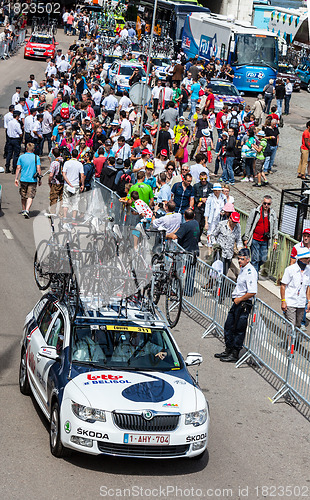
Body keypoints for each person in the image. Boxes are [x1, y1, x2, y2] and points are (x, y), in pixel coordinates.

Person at [214, 248, 257, 363]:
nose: (239, 261)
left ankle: (235, 353)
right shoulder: (243, 269)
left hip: (243, 303)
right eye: (238, 258)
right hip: (237, 302)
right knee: (228, 326)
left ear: (248, 259)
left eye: (242, 259)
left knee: (238, 328)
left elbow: (252, 291)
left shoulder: (250, 272)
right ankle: (228, 349)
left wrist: (240, 299)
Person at [243, 195, 278, 274]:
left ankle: (252, 270)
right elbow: (249, 224)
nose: (266, 205)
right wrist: (246, 238)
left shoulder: (272, 213)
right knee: (255, 259)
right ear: (262, 202)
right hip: (255, 239)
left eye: (268, 204)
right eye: (265, 203)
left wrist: (275, 241)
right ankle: (255, 277)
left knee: (263, 259)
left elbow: (275, 227)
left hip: (265, 240)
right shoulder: (255, 211)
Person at [281, 248, 310, 330]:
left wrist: (309, 301)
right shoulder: (290, 270)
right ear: (301, 259)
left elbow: (307, 287)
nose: (309, 260)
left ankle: (293, 342)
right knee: (291, 326)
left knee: (297, 325)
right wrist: (283, 301)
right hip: (290, 302)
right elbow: (283, 286)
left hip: (301, 303)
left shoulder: (308, 270)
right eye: (307, 258)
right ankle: (290, 342)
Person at [14, 142, 42, 218]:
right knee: (30, 195)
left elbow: (18, 168)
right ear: (33, 149)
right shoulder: (36, 157)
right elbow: (38, 169)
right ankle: (27, 210)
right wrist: (40, 179)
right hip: (33, 180)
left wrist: (16, 178)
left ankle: (23, 209)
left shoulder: (21, 157)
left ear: (26, 149)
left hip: (23, 179)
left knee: (23, 195)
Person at [62, 149, 85, 220]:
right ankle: (73, 218)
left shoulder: (66, 163)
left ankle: (65, 217)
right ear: (77, 155)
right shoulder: (80, 164)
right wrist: (82, 185)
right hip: (75, 185)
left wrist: (68, 182)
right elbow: (82, 175)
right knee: (75, 202)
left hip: (68, 185)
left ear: (71, 155)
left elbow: (63, 174)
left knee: (66, 202)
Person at [204, 183, 226, 250]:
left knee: (219, 235)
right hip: (212, 220)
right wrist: (206, 222)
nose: (217, 192)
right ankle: (210, 252)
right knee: (210, 235)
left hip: (220, 220)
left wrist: (223, 212)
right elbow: (207, 211)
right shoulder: (210, 198)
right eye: (215, 190)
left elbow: (226, 208)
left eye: (218, 190)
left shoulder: (223, 198)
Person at [193, 171, 213, 241]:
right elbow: (194, 197)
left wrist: (205, 200)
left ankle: (199, 238)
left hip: (206, 208)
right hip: (198, 208)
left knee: (202, 224)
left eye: (205, 179)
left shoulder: (210, 186)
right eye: (202, 179)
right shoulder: (196, 186)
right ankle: (196, 239)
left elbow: (212, 196)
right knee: (197, 224)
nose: (203, 181)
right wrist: (201, 199)